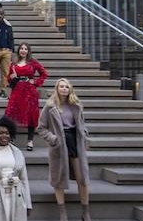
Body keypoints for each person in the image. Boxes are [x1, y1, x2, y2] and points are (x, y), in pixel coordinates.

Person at [37, 78, 91, 221]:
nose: (64, 89)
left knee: (82, 179)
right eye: (61, 86)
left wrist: (84, 133)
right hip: (59, 144)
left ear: (70, 89)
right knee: (59, 179)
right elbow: (41, 128)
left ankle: (85, 212)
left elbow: (82, 124)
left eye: (66, 86)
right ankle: (63, 213)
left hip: (75, 141)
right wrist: (53, 139)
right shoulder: (50, 106)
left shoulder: (76, 105)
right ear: (57, 88)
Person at [5, 42, 48, 151]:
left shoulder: (32, 62)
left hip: (29, 91)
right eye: (21, 48)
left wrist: (36, 82)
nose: (23, 50)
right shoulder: (13, 63)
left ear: (28, 51)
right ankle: (11, 138)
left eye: (25, 49)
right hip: (17, 90)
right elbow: (9, 79)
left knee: (31, 116)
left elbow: (44, 73)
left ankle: (30, 141)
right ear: (18, 50)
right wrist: (11, 77)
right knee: (11, 113)